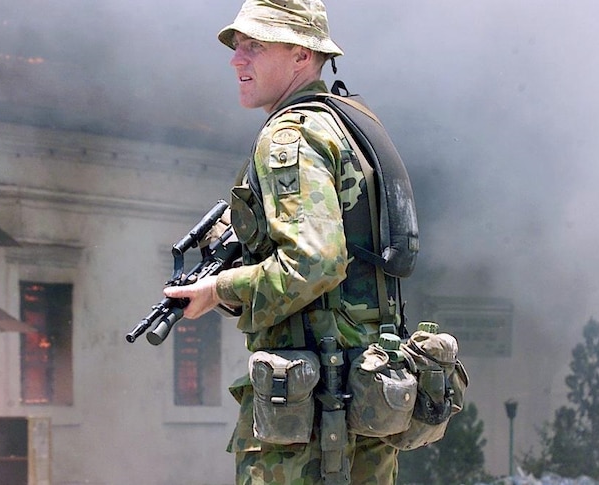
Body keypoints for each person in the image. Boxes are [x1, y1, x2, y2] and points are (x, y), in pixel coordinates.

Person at [164, 0, 403, 483]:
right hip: (367, 399)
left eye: (255, 46)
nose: (237, 59)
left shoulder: (289, 138)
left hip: (311, 417)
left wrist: (219, 290)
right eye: (237, 46)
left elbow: (314, 262)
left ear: (300, 55)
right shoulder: (349, 123)